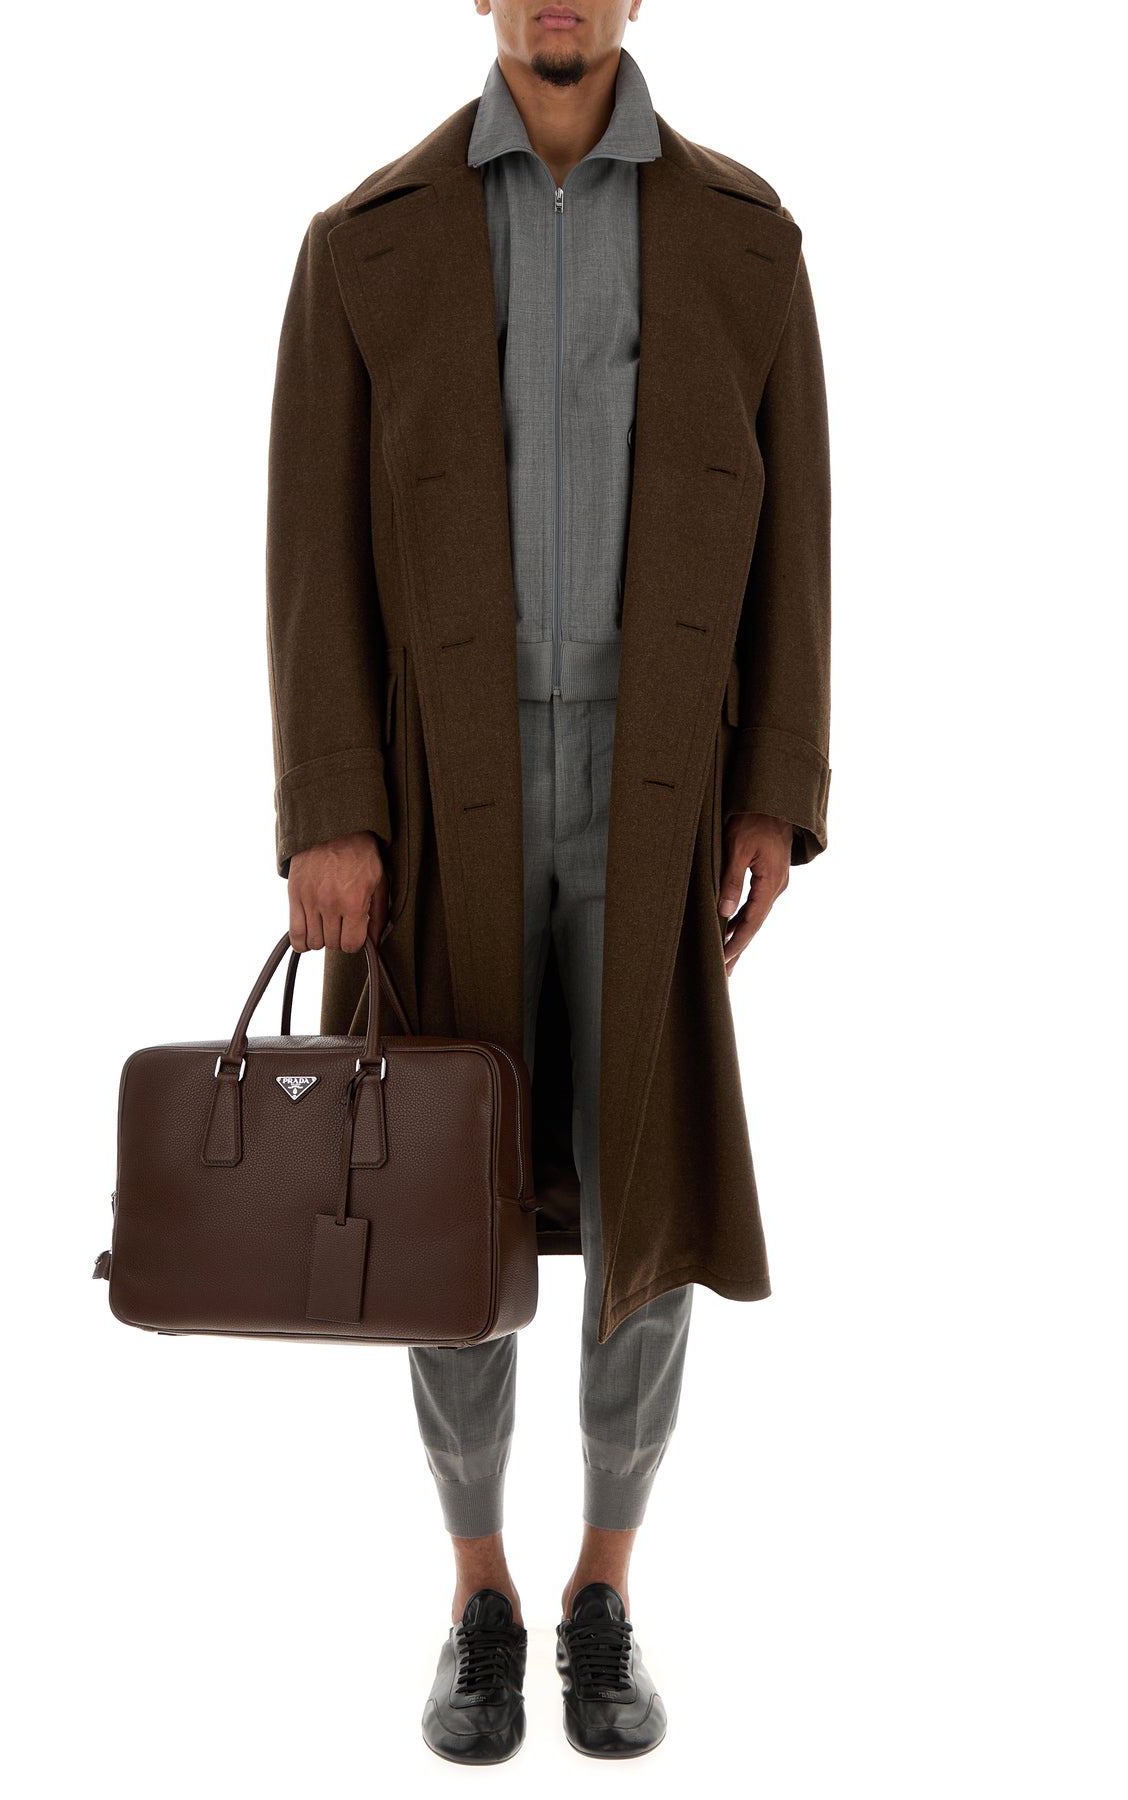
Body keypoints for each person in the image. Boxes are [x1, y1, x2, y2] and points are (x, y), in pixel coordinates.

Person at [264, 0, 831, 1764]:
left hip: (661, 789)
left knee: (644, 1197)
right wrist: (331, 806)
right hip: (444, 795)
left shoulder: (747, 237)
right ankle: (479, 1595)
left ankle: (604, 1586)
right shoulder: (363, 242)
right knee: (447, 1198)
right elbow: (309, 548)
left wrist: (773, 788)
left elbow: (801, 536)